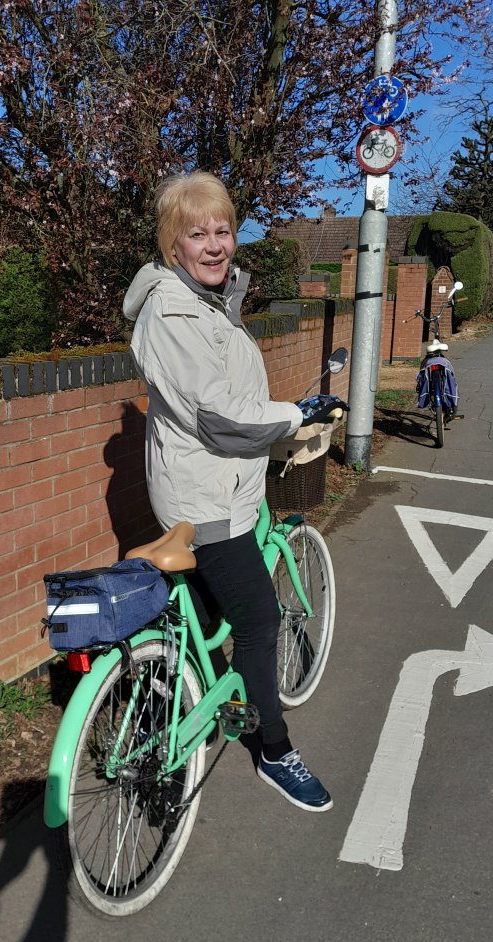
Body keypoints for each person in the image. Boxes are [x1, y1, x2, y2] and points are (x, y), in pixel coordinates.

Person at [123, 170, 335, 812]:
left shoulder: (207, 301)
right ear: (172, 244)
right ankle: (274, 750)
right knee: (260, 619)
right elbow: (219, 417)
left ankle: (191, 694)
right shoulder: (175, 311)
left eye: (223, 231)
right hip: (207, 497)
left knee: (210, 615)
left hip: (223, 482)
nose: (214, 245)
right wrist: (295, 415)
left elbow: (224, 390)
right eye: (197, 234)